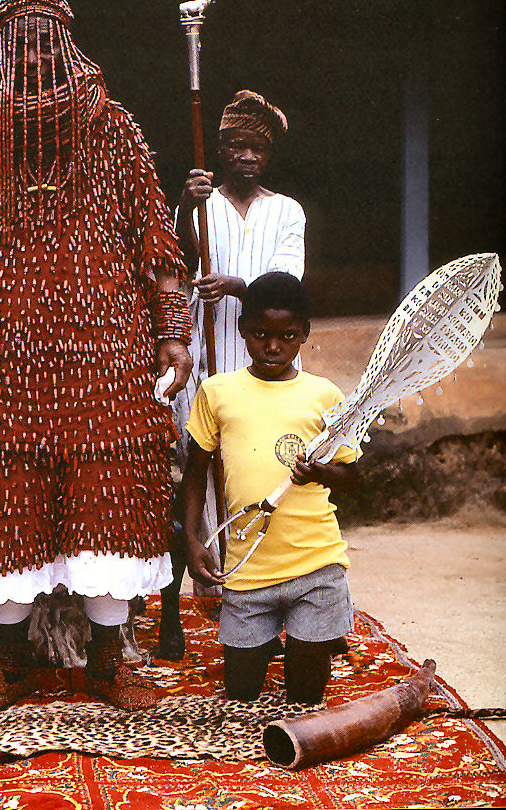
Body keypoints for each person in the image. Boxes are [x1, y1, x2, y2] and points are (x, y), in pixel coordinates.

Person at [0, 0, 192, 714]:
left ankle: (110, 647)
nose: (31, 54)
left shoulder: (114, 131)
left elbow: (156, 244)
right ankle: (0, 646)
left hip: (102, 344)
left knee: (111, 490)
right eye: (18, 41)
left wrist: (171, 332)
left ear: (65, 42)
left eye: (43, 39)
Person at [164, 90, 306, 650]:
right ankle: (212, 581)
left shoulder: (287, 210)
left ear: (269, 156)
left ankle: (264, 576)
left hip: (265, 356)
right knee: (201, 458)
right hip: (207, 353)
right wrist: (182, 207)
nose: (248, 156)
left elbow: (288, 285)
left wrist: (236, 286)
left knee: (258, 463)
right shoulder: (202, 205)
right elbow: (173, 258)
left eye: (258, 148)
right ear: (220, 150)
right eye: (237, 146)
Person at [180, 272, 360, 704]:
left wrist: (318, 471)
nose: (273, 346)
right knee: (241, 692)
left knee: (305, 697)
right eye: (260, 333)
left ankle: (312, 640)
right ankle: (271, 641)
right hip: (248, 571)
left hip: (315, 565)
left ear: (304, 335)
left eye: (287, 335)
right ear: (242, 329)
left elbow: (351, 477)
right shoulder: (218, 391)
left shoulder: (324, 395)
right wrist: (191, 538)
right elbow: (193, 473)